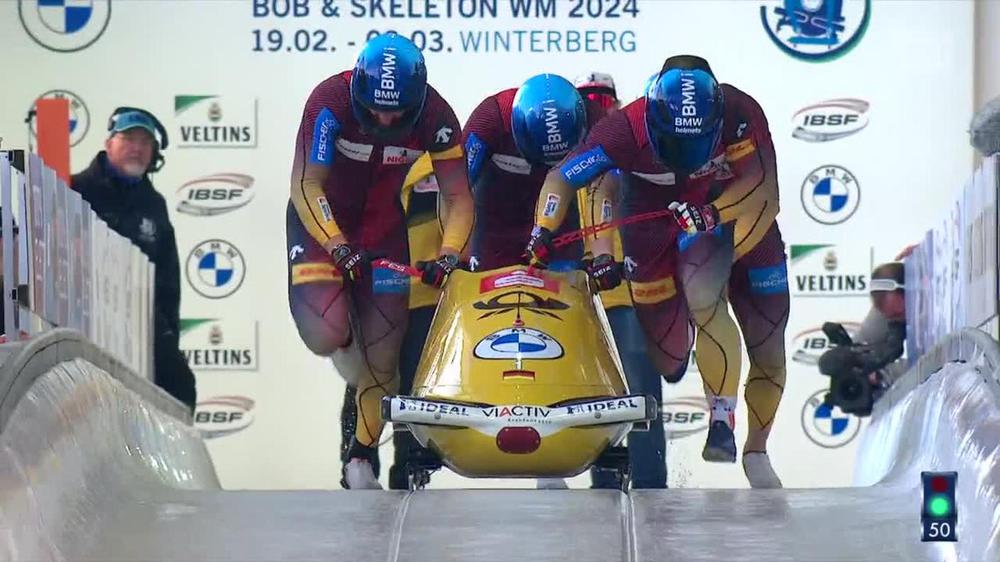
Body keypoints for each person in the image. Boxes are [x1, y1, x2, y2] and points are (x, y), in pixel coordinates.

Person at [525, 55, 788, 489]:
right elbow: (571, 182)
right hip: (652, 230)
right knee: (666, 361)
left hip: (728, 220)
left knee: (742, 324)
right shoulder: (622, 130)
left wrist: (712, 213)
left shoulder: (742, 113)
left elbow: (765, 191)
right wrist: (552, 232)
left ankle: (742, 437)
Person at [287, 32, 474, 489]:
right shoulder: (328, 103)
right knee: (324, 333)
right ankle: (348, 323)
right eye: (375, 108)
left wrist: (449, 256)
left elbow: (458, 196)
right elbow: (308, 186)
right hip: (321, 228)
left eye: (396, 111)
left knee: (385, 362)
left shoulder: (435, 114)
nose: (385, 117)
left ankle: (360, 456)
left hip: (383, 233)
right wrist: (337, 245)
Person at [573, 72, 684, 490]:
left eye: (604, 99)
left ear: (617, 104)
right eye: (588, 100)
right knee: (589, 396)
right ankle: (602, 484)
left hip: (630, 290)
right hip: (581, 297)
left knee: (640, 391)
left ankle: (651, 486)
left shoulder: (631, 150)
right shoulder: (564, 154)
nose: (597, 107)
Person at [71, 107, 196, 412]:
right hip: (82, 323)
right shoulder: (74, 189)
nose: (137, 148)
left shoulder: (154, 204)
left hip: (140, 323)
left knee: (180, 387)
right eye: (128, 138)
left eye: (145, 142)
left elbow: (168, 283)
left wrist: (168, 338)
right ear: (109, 142)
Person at [338, 153, 445, 489]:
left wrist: (448, 261)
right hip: (380, 289)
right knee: (369, 376)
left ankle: (407, 469)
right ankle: (356, 463)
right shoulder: (370, 164)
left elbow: (462, 220)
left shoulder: (444, 166)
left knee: (413, 384)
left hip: (426, 295)